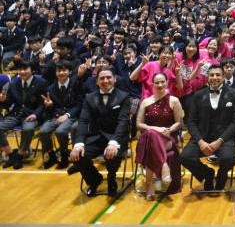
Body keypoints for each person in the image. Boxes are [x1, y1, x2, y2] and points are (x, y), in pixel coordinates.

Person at [68, 68, 132, 196]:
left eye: (108, 77)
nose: (105, 81)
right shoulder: (89, 97)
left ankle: (111, 179)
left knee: (112, 154)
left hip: (116, 137)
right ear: (97, 81)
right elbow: (83, 121)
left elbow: (123, 122)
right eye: (102, 78)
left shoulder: (124, 97)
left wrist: (114, 142)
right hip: (95, 137)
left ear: (114, 79)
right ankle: (95, 180)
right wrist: (78, 143)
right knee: (77, 156)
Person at [181, 66, 235, 191]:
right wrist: (200, 141)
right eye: (212, 75)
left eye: (218, 75)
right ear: (208, 77)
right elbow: (191, 121)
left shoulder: (234, 94)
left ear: (223, 77)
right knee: (185, 157)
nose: (215, 77)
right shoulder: (198, 95)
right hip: (202, 137)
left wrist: (220, 141)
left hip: (224, 139)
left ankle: (222, 175)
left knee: (229, 158)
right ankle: (207, 174)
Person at [135, 72, 184, 199]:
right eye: (157, 82)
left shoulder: (174, 100)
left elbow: (179, 122)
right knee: (151, 134)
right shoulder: (146, 102)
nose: (160, 84)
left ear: (167, 82)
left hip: (168, 138)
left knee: (151, 143)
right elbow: (139, 124)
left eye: (162, 82)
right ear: (152, 84)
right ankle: (163, 165)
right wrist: (155, 128)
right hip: (148, 138)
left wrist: (169, 129)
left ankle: (148, 184)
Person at [0, 60, 48, 169]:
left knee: (28, 129)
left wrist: (36, 114)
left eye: (25, 69)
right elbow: (9, 104)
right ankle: (11, 155)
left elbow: (44, 104)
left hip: (32, 114)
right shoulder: (14, 82)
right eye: (20, 69)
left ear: (32, 70)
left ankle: (20, 156)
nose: (22, 71)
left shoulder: (41, 82)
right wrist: (4, 100)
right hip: (16, 114)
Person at [39, 60, 84, 169]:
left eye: (64, 70)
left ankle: (64, 155)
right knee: (43, 131)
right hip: (56, 116)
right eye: (59, 71)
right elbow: (50, 108)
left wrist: (67, 115)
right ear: (56, 72)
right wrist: (49, 105)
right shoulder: (50, 88)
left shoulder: (76, 85)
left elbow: (79, 105)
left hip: (71, 116)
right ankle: (51, 155)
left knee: (60, 131)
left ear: (70, 72)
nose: (61, 73)